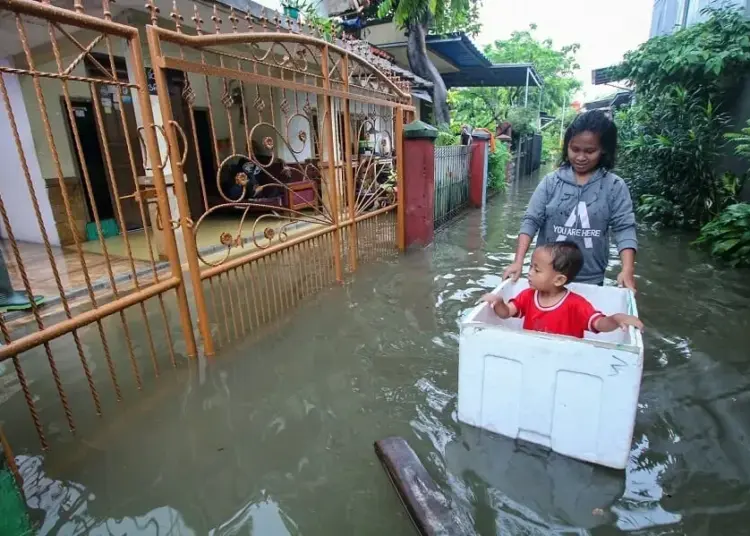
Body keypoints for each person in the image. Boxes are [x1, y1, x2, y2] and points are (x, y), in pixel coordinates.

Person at [503, 110, 638, 290]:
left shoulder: (614, 186)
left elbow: (624, 228)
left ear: (603, 150)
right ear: (567, 147)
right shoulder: (551, 182)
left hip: (590, 280)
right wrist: (518, 261)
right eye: (575, 149)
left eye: (590, 151)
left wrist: (627, 269)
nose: (581, 157)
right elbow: (531, 221)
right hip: (546, 278)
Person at [483, 242, 643, 339]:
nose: (529, 272)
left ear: (559, 280)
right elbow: (506, 313)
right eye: (530, 266)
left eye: (537, 270)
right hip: (532, 354)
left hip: (566, 361)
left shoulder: (576, 304)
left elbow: (599, 324)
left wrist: (615, 319)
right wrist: (498, 302)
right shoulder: (528, 296)